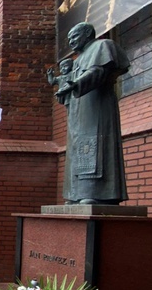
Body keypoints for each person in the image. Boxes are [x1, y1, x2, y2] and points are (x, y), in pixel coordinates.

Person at [55, 22, 130, 205]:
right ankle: (76, 193)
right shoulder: (78, 59)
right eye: (69, 38)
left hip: (96, 106)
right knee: (76, 150)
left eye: (74, 36)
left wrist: (76, 84)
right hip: (78, 109)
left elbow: (98, 71)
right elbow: (69, 81)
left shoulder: (102, 46)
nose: (71, 41)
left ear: (88, 33)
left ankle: (97, 192)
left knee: (96, 145)